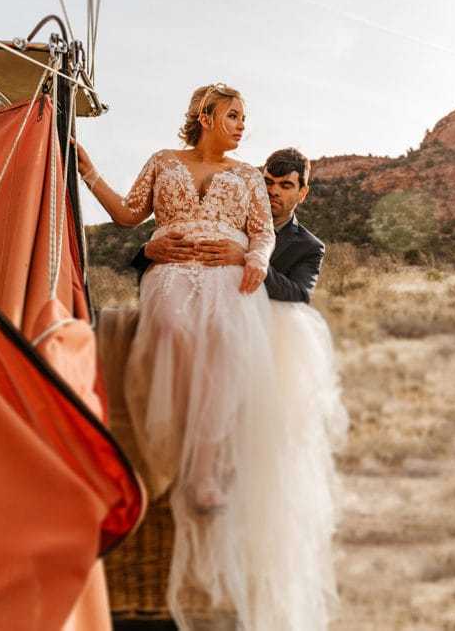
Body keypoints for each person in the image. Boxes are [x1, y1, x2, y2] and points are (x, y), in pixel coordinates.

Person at [75, 84, 341, 630]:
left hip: (226, 271)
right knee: (170, 324)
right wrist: (89, 173)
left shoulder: (246, 176)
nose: (243, 126)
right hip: (170, 266)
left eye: (245, 117)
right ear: (205, 115)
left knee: (224, 336)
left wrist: (252, 260)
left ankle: (203, 470)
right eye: (234, 115)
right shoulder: (161, 161)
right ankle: (171, 445)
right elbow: (128, 215)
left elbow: (263, 235)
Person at [132, 147, 323, 304]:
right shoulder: (227, 214)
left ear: (302, 193)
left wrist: (247, 260)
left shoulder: (309, 247)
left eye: (285, 186)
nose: (273, 191)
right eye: (268, 182)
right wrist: (147, 251)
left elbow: (299, 294)